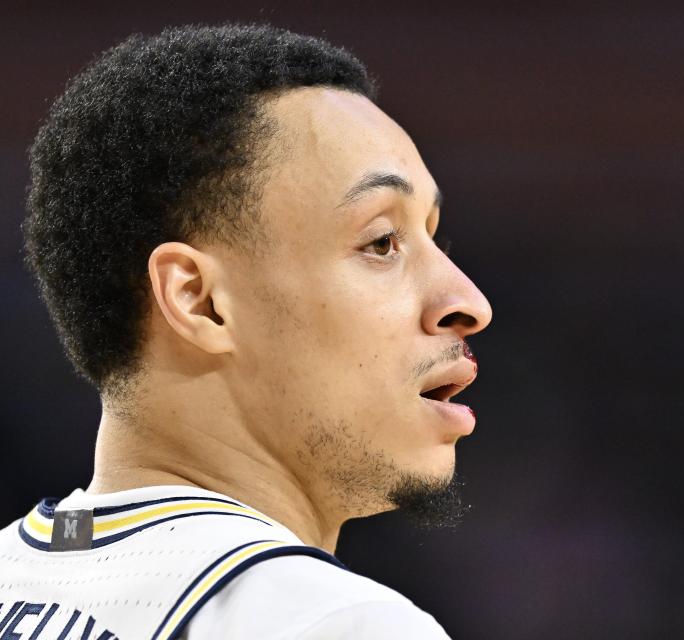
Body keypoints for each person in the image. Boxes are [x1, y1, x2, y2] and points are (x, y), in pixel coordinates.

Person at [0, 23, 492, 639]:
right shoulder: (335, 623)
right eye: (382, 242)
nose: (468, 302)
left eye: (433, 235)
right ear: (199, 301)